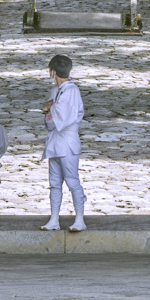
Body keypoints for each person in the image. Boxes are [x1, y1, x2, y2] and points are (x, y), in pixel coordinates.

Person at [41, 53, 86, 232]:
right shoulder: (56, 91)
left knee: (72, 181)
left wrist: (48, 108)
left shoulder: (71, 90)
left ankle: (80, 219)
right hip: (55, 142)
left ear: (52, 72)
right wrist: (48, 109)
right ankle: (54, 219)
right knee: (54, 183)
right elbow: (50, 120)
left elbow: (59, 117)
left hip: (67, 140)